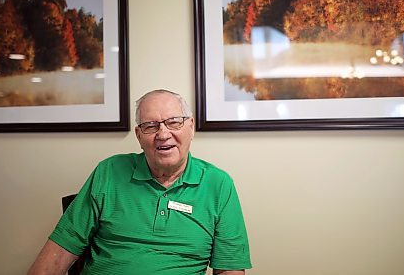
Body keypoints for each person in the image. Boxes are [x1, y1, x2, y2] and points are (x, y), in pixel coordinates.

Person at [27, 89, 251, 275]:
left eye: (174, 122)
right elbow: (57, 255)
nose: (163, 134)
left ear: (191, 127)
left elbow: (229, 270)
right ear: (138, 135)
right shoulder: (109, 171)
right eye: (151, 126)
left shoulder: (218, 184)